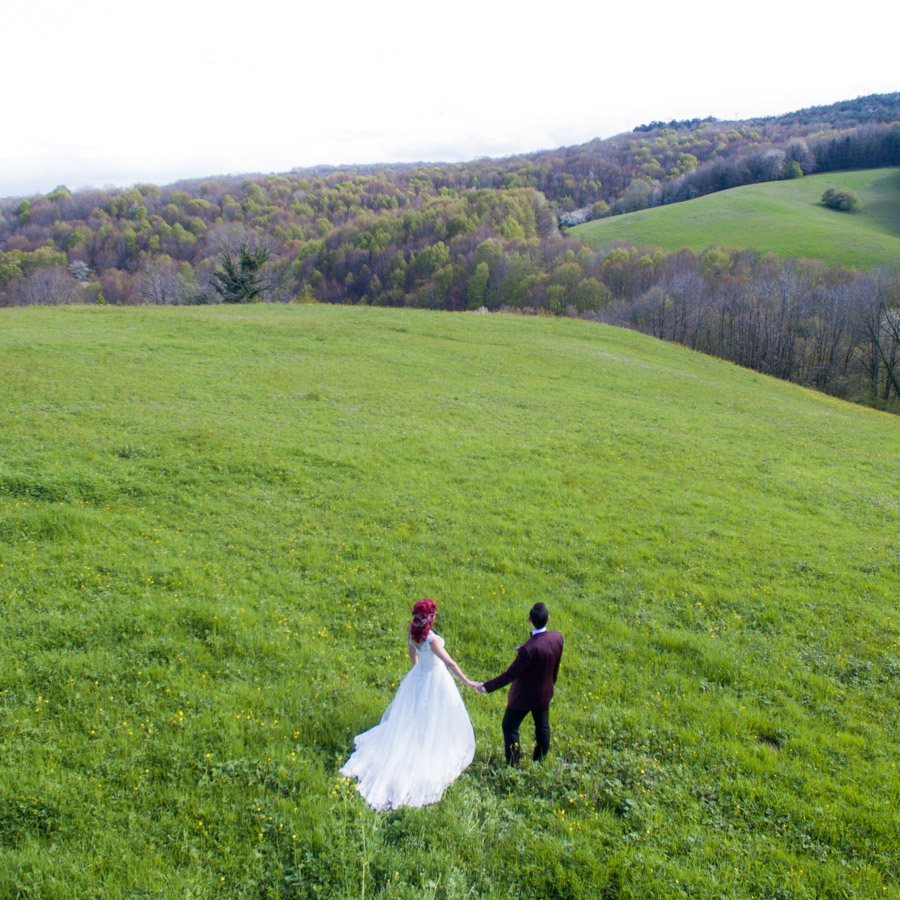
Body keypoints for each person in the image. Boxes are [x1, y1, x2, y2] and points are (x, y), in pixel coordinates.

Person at [340, 598, 480, 810]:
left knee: (415, 715)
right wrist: (468, 682)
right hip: (434, 678)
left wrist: (418, 670)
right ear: (431, 618)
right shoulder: (431, 640)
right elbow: (449, 662)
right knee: (434, 715)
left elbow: (412, 654)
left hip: (419, 677)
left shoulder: (413, 632)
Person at [477, 602, 563, 765]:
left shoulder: (528, 650)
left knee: (509, 726)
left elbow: (510, 674)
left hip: (524, 697)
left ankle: (513, 763)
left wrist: (486, 687)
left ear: (529, 619)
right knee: (542, 727)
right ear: (548, 619)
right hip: (544, 693)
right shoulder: (557, 638)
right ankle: (539, 761)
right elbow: (553, 661)